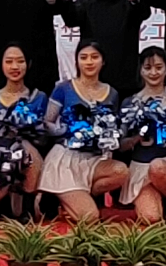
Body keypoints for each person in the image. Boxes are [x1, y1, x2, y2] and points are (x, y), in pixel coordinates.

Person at [38, 40, 128, 220]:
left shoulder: (112, 93)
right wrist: (67, 131)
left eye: (94, 57)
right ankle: (59, 195)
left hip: (95, 158)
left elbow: (116, 125)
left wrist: (113, 135)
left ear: (103, 61)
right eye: (84, 57)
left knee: (121, 172)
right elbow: (47, 123)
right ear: (77, 61)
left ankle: (77, 196)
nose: (89, 62)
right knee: (90, 217)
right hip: (66, 159)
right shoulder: (63, 88)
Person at [62, 0, 153, 98]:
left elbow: (144, 13)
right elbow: (71, 20)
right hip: (93, 79)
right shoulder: (85, 3)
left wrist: (135, 0)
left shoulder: (131, 2)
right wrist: (66, 2)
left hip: (126, 81)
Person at [119, 47, 166, 222]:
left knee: (158, 167)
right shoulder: (130, 103)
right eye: (148, 67)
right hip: (141, 168)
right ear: (141, 70)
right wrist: (136, 137)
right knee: (150, 218)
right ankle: (158, 201)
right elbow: (120, 145)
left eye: (159, 67)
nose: (153, 73)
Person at [0, 43, 49, 221]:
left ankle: (28, 207)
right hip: (1, 156)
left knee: (27, 151)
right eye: (9, 61)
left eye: (20, 61)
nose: (14, 67)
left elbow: (44, 135)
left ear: (28, 64)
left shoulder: (39, 97)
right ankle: (3, 203)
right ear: (1, 65)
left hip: (29, 156)